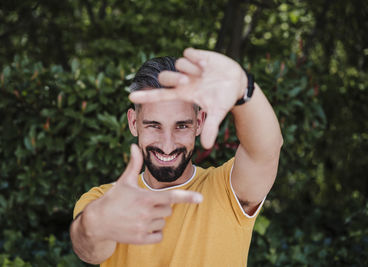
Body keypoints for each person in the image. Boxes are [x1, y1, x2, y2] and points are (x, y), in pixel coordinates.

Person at [70, 48, 283, 266]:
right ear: (133, 123)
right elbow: (88, 250)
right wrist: (99, 222)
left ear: (199, 122)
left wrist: (242, 88)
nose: (167, 144)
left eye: (181, 126)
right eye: (154, 125)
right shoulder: (105, 199)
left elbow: (266, 151)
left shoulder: (228, 191)